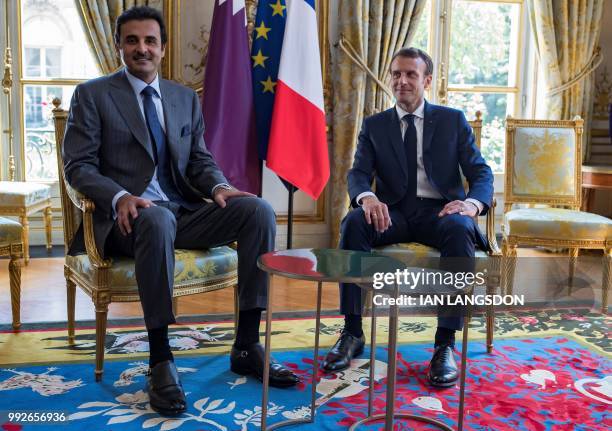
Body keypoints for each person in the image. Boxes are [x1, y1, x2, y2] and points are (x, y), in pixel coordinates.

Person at [62, 6, 298, 416]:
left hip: (181, 210)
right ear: (119, 46)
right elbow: (78, 166)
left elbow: (199, 161)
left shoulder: (184, 97)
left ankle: (246, 345)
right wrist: (119, 197)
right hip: (128, 220)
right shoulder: (93, 95)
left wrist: (219, 187)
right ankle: (160, 358)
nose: (142, 48)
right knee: (156, 216)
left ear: (163, 48)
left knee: (258, 210)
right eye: (132, 40)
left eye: (150, 41)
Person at [321, 47, 493, 388]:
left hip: (440, 212)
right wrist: (367, 198)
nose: (402, 81)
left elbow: (481, 173)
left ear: (426, 80)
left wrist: (471, 205)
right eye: (396, 74)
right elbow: (357, 174)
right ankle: (352, 332)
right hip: (393, 213)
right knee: (354, 222)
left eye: (410, 74)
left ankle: (445, 343)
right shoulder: (374, 125)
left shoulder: (452, 120)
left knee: (461, 228)